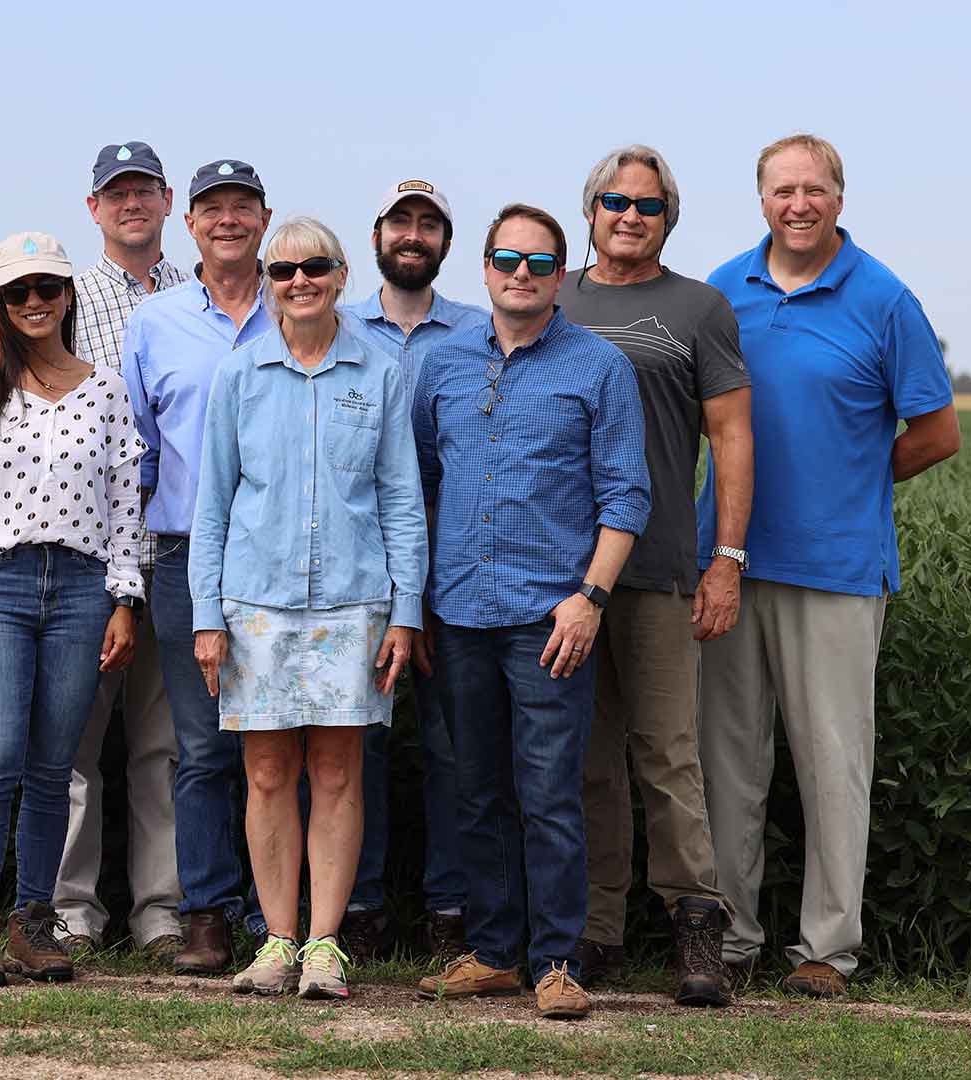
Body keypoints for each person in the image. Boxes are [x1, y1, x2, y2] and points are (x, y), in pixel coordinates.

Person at [699, 134, 959, 999]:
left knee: (832, 762)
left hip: (839, 570)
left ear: (840, 198)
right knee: (728, 760)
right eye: (783, 190)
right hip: (728, 565)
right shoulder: (722, 290)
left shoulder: (884, 299)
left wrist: (857, 475)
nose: (798, 204)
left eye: (815, 189)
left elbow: (936, 432)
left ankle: (825, 952)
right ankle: (729, 940)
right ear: (761, 199)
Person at [412, 205, 650, 1020]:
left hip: (551, 618)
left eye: (540, 262)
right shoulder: (440, 365)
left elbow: (627, 494)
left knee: (550, 793)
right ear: (482, 268)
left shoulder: (598, 368)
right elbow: (420, 485)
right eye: (507, 258)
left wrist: (590, 599)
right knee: (475, 789)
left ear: (561, 275)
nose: (521, 273)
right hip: (459, 614)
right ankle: (493, 951)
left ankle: (557, 961)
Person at [191, 217, 426, 1000]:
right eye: (285, 270)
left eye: (315, 268)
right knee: (264, 772)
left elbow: (400, 498)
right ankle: (277, 941)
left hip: (353, 601)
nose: (300, 282)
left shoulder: (380, 370)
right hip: (255, 601)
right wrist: (205, 615)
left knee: (336, 768)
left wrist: (406, 612)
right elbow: (213, 503)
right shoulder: (239, 374)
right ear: (267, 279)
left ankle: (325, 945)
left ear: (340, 274)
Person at [556, 145, 752, 1007]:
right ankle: (596, 932)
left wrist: (727, 558)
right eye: (613, 201)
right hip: (560, 580)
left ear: (668, 218)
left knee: (668, 755)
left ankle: (696, 930)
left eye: (648, 205)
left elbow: (733, 436)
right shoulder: (552, 295)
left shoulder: (700, 309)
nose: (629, 215)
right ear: (589, 209)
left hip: (664, 567)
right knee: (588, 762)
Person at [0, 232, 146, 986]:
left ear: (68, 297)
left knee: (55, 765)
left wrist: (125, 599)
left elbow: (126, 507)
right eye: (18, 292)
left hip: (83, 592)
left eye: (47, 289)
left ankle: (33, 920)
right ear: (1, 302)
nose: (33, 304)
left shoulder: (107, 390)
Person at [121, 159, 274, 974]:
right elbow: (137, 451)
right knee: (203, 745)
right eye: (212, 208)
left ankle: (277, 915)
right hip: (183, 557)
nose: (227, 220)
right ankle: (208, 914)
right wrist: (129, 574)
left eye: (241, 207)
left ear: (263, 217)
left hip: (285, 558)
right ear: (191, 223)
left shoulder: (298, 309)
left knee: (279, 743)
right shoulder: (155, 322)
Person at [339, 179, 487, 962]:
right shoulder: (335, 328)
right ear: (377, 235)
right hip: (355, 571)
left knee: (452, 749)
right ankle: (358, 906)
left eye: (431, 224)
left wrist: (423, 590)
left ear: (445, 245)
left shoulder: (477, 333)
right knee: (354, 745)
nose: (414, 235)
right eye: (402, 220)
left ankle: (451, 909)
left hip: (456, 571)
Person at [56, 142, 188, 961]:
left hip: (174, 548)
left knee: (162, 744)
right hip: (87, 550)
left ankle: (161, 913)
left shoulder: (198, 292)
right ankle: (70, 911)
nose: (130, 203)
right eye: (116, 193)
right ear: (94, 208)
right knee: (72, 745)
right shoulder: (66, 298)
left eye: (143, 190)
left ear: (168, 201)